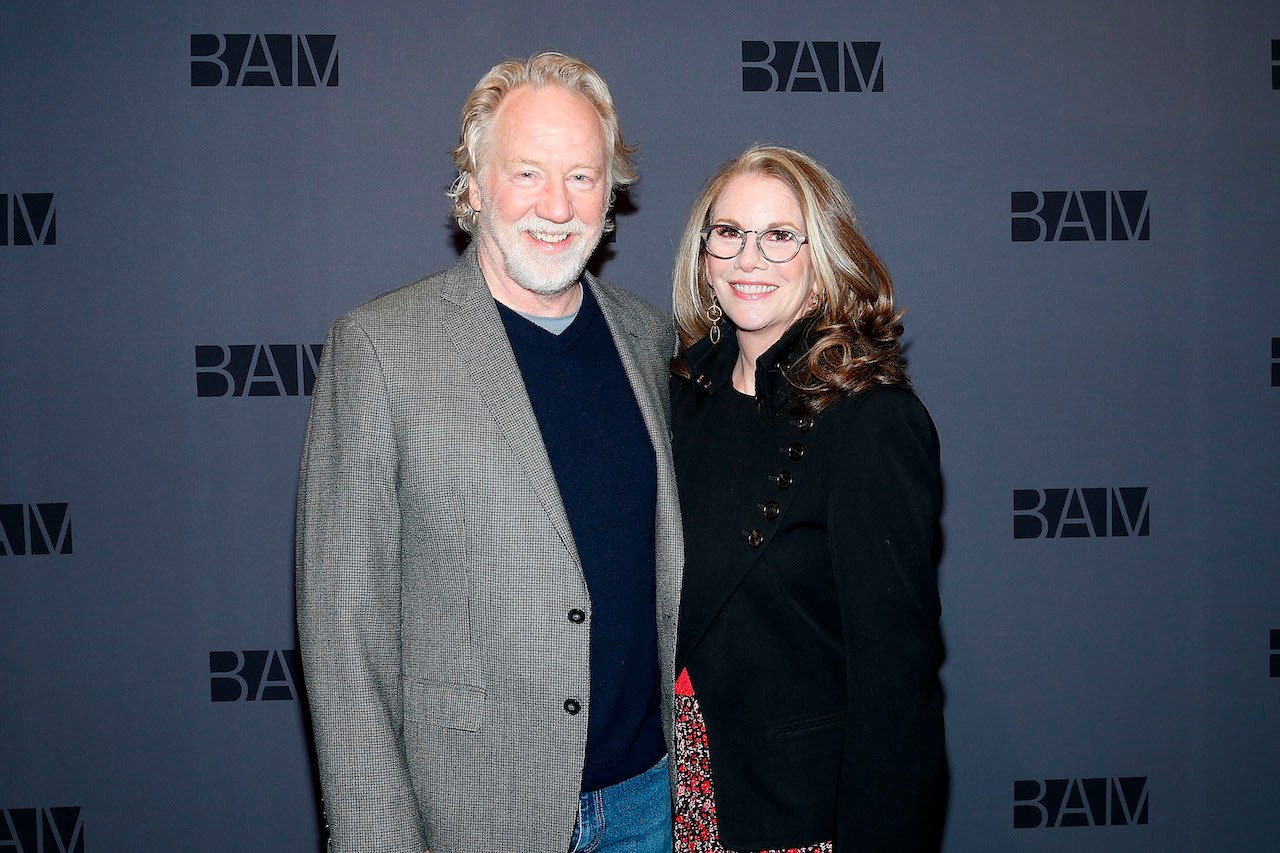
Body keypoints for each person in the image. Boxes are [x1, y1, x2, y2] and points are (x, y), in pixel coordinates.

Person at [295, 52, 682, 853]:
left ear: (612, 194)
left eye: (582, 176)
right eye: (528, 172)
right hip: (474, 814)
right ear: (473, 184)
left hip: (652, 802)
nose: (556, 204)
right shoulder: (379, 348)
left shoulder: (651, 339)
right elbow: (344, 635)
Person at [668, 146, 945, 852]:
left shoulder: (870, 421)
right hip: (670, 798)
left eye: (779, 235)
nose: (747, 257)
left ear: (821, 263)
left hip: (794, 814)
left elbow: (895, 685)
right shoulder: (675, 394)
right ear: (704, 255)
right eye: (727, 232)